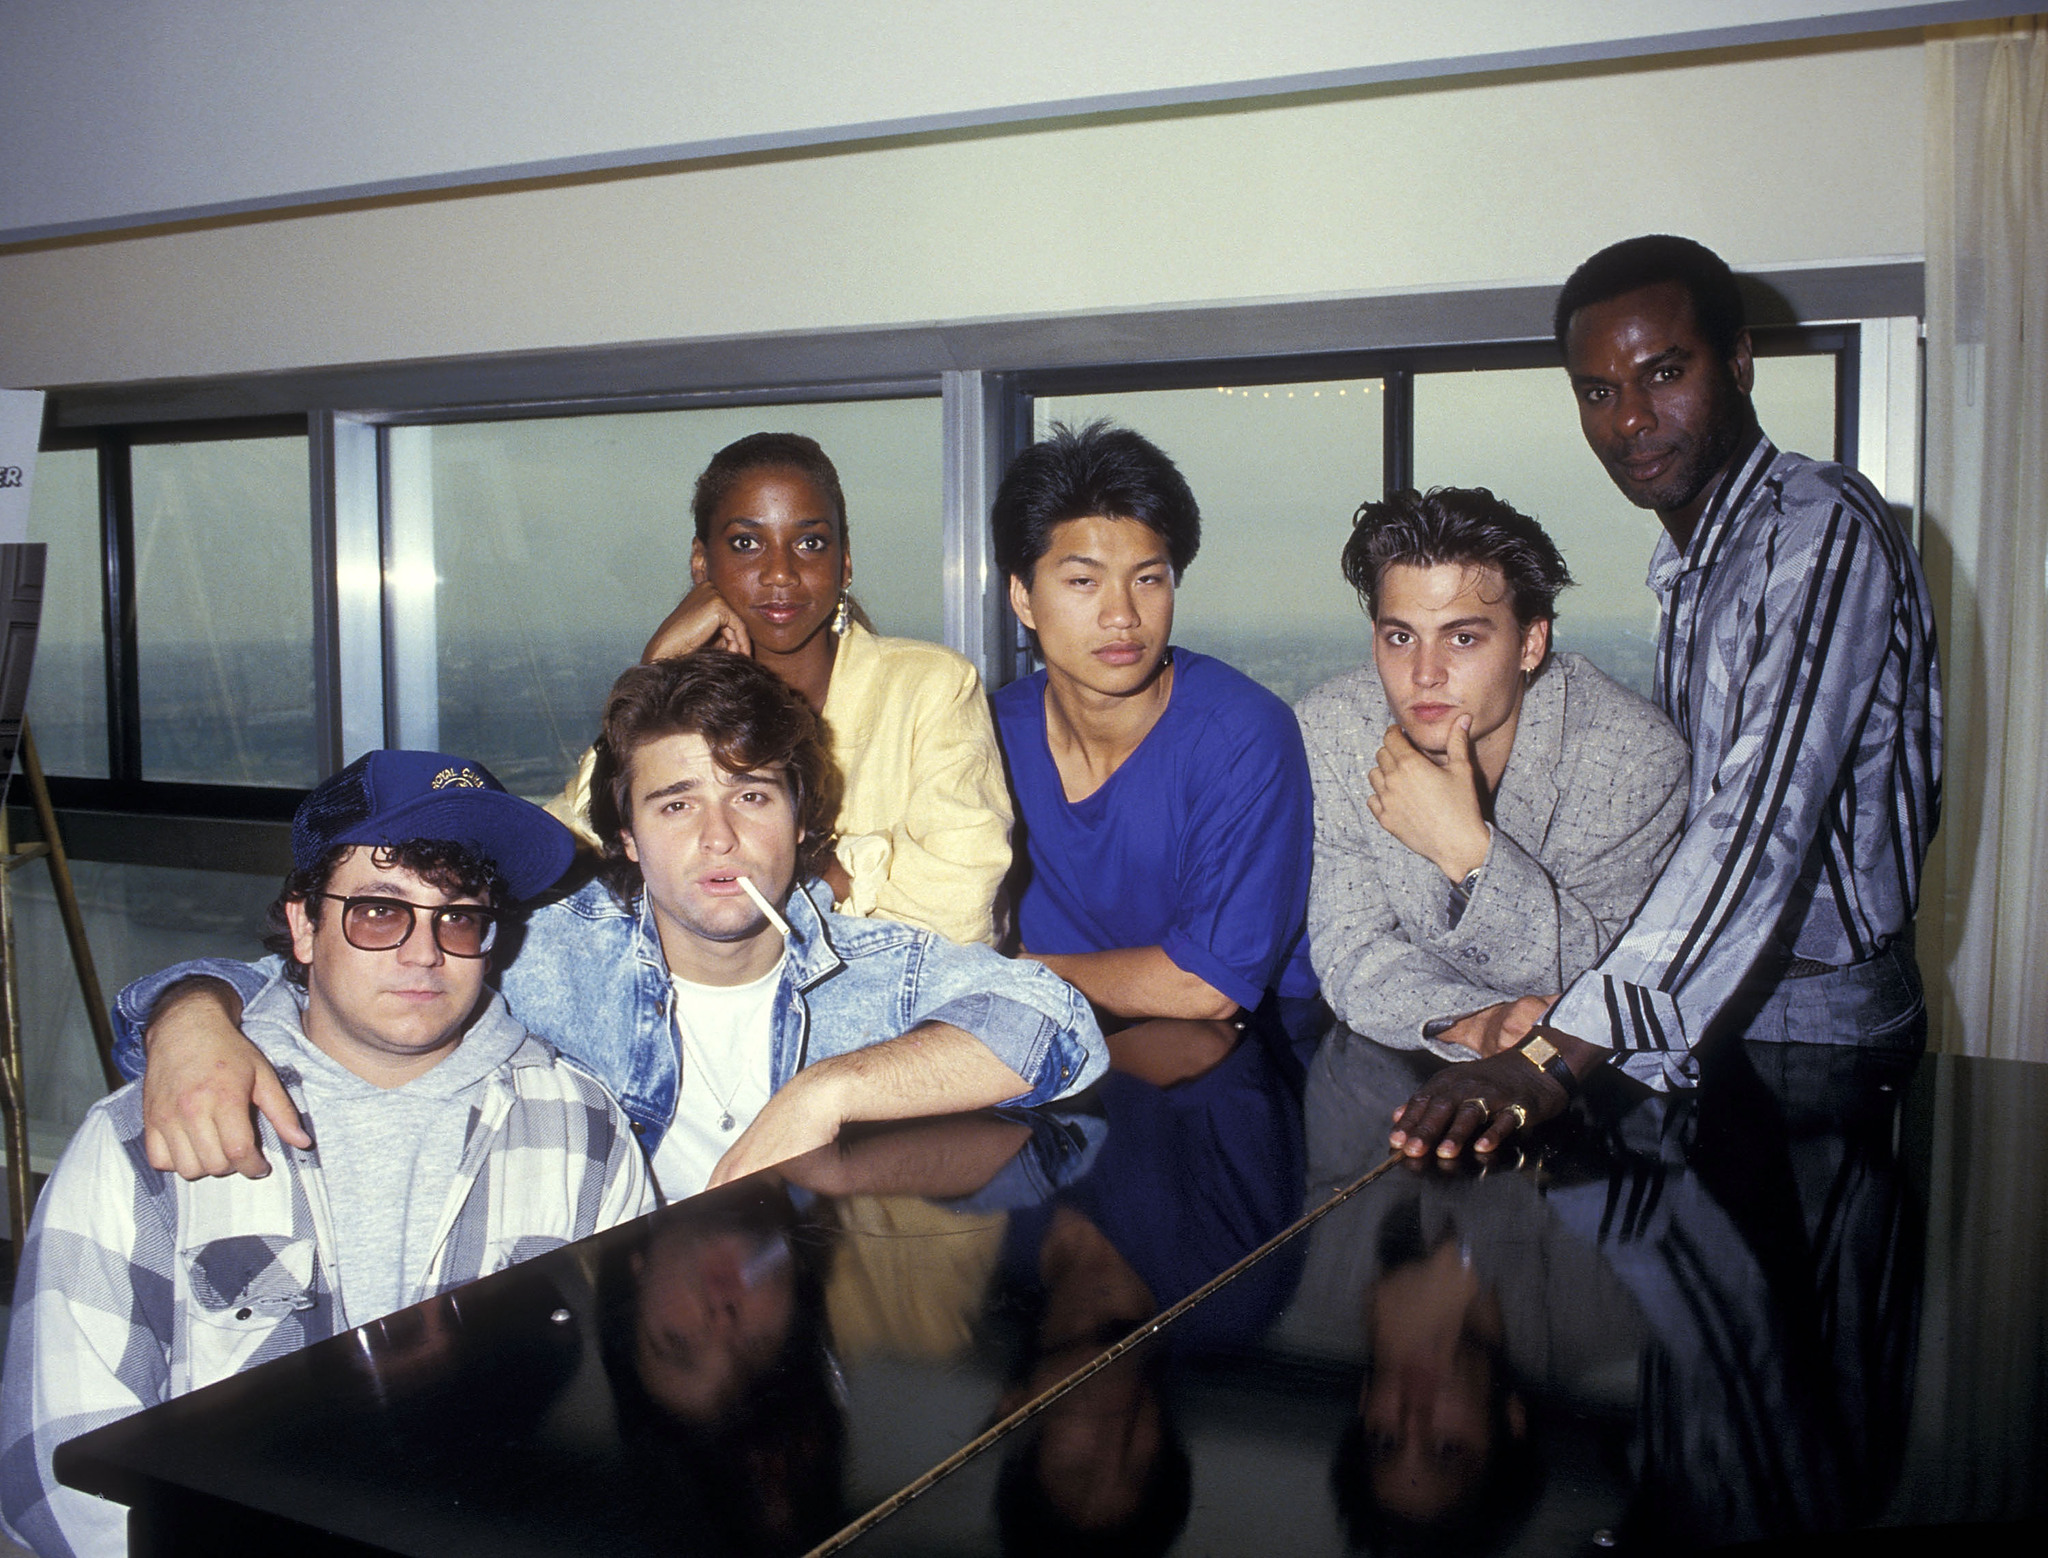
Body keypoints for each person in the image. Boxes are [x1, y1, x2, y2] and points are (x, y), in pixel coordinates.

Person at [112, 653, 1107, 1201]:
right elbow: (317, 972)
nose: (717, 835)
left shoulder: (873, 969)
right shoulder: (544, 951)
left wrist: (823, 1092)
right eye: (675, 805)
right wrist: (188, 1020)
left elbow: (1057, 1025)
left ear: (802, 821)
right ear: (624, 835)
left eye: (751, 796)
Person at [1, 750, 654, 1558]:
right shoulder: (148, 1138)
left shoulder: (583, 1135)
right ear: (305, 925)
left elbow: (629, 1427)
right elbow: (52, 1469)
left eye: (458, 917)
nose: (425, 953)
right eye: (380, 912)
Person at [1392, 234, 1941, 1160]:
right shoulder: (1692, 565)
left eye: (1665, 373)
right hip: (1703, 1002)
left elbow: (1759, 820)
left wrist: (1552, 1058)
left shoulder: (1820, 529)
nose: (1632, 420)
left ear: (1737, 363)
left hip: (1817, 1020)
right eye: (1599, 392)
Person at [550, 431, 1012, 945]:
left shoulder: (929, 687)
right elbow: (561, 858)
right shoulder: (681, 701)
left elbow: (959, 916)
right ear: (701, 563)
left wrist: (799, 891)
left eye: (810, 543)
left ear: (846, 563)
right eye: (747, 543)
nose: (781, 574)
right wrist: (658, 674)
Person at [1298, 486, 1688, 1061]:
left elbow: (1600, 983)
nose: (1425, 674)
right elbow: (1349, 950)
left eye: (1462, 638)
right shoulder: (1336, 727)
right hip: (1403, 1072)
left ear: (1531, 642)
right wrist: (1474, 1021)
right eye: (1400, 637)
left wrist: (1467, 853)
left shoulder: (1632, 758)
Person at [989, 420, 1317, 1030]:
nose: (1122, 615)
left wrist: (1012, 972)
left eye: (1148, 578)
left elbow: (1205, 987)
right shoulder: (985, 735)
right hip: (1037, 1042)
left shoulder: (1241, 736)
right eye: (1083, 581)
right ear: (1024, 597)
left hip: (1244, 1053)